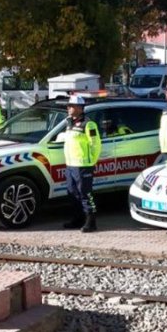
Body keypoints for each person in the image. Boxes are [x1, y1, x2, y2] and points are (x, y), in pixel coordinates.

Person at [61, 95, 101, 233]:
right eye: (68, 105)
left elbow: (96, 145)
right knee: (72, 193)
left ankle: (91, 221)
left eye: (71, 106)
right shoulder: (69, 123)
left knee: (85, 194)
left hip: (83, 165)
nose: (68, 108)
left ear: (79, 108)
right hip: (71, 164)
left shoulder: (88, 124)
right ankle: (77, 219)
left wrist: (90, 162)